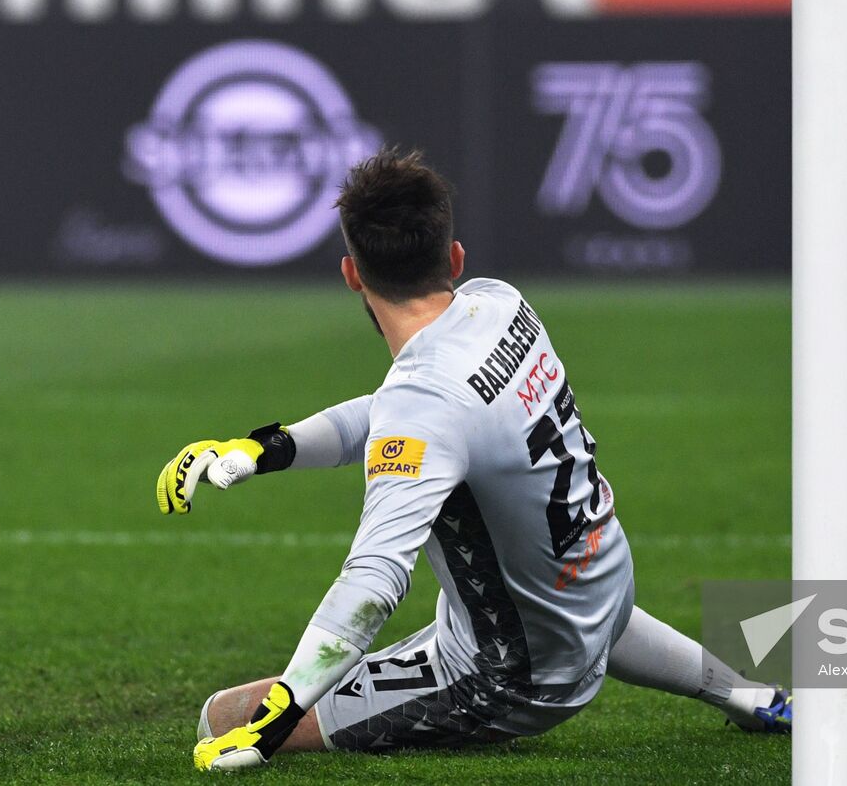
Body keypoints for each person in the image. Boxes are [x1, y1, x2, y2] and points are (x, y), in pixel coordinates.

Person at [154, 147, 790, 771]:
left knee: (222, 718)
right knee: (554, 593)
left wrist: (282, 712)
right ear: (454, 258)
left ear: (352, 273)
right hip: (601, 584)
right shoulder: (501, 304)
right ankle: (750, 695)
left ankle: (298, 708)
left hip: (512, 675)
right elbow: (397, 411)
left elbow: (375, 577)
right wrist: (261, 449)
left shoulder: (425, 402)